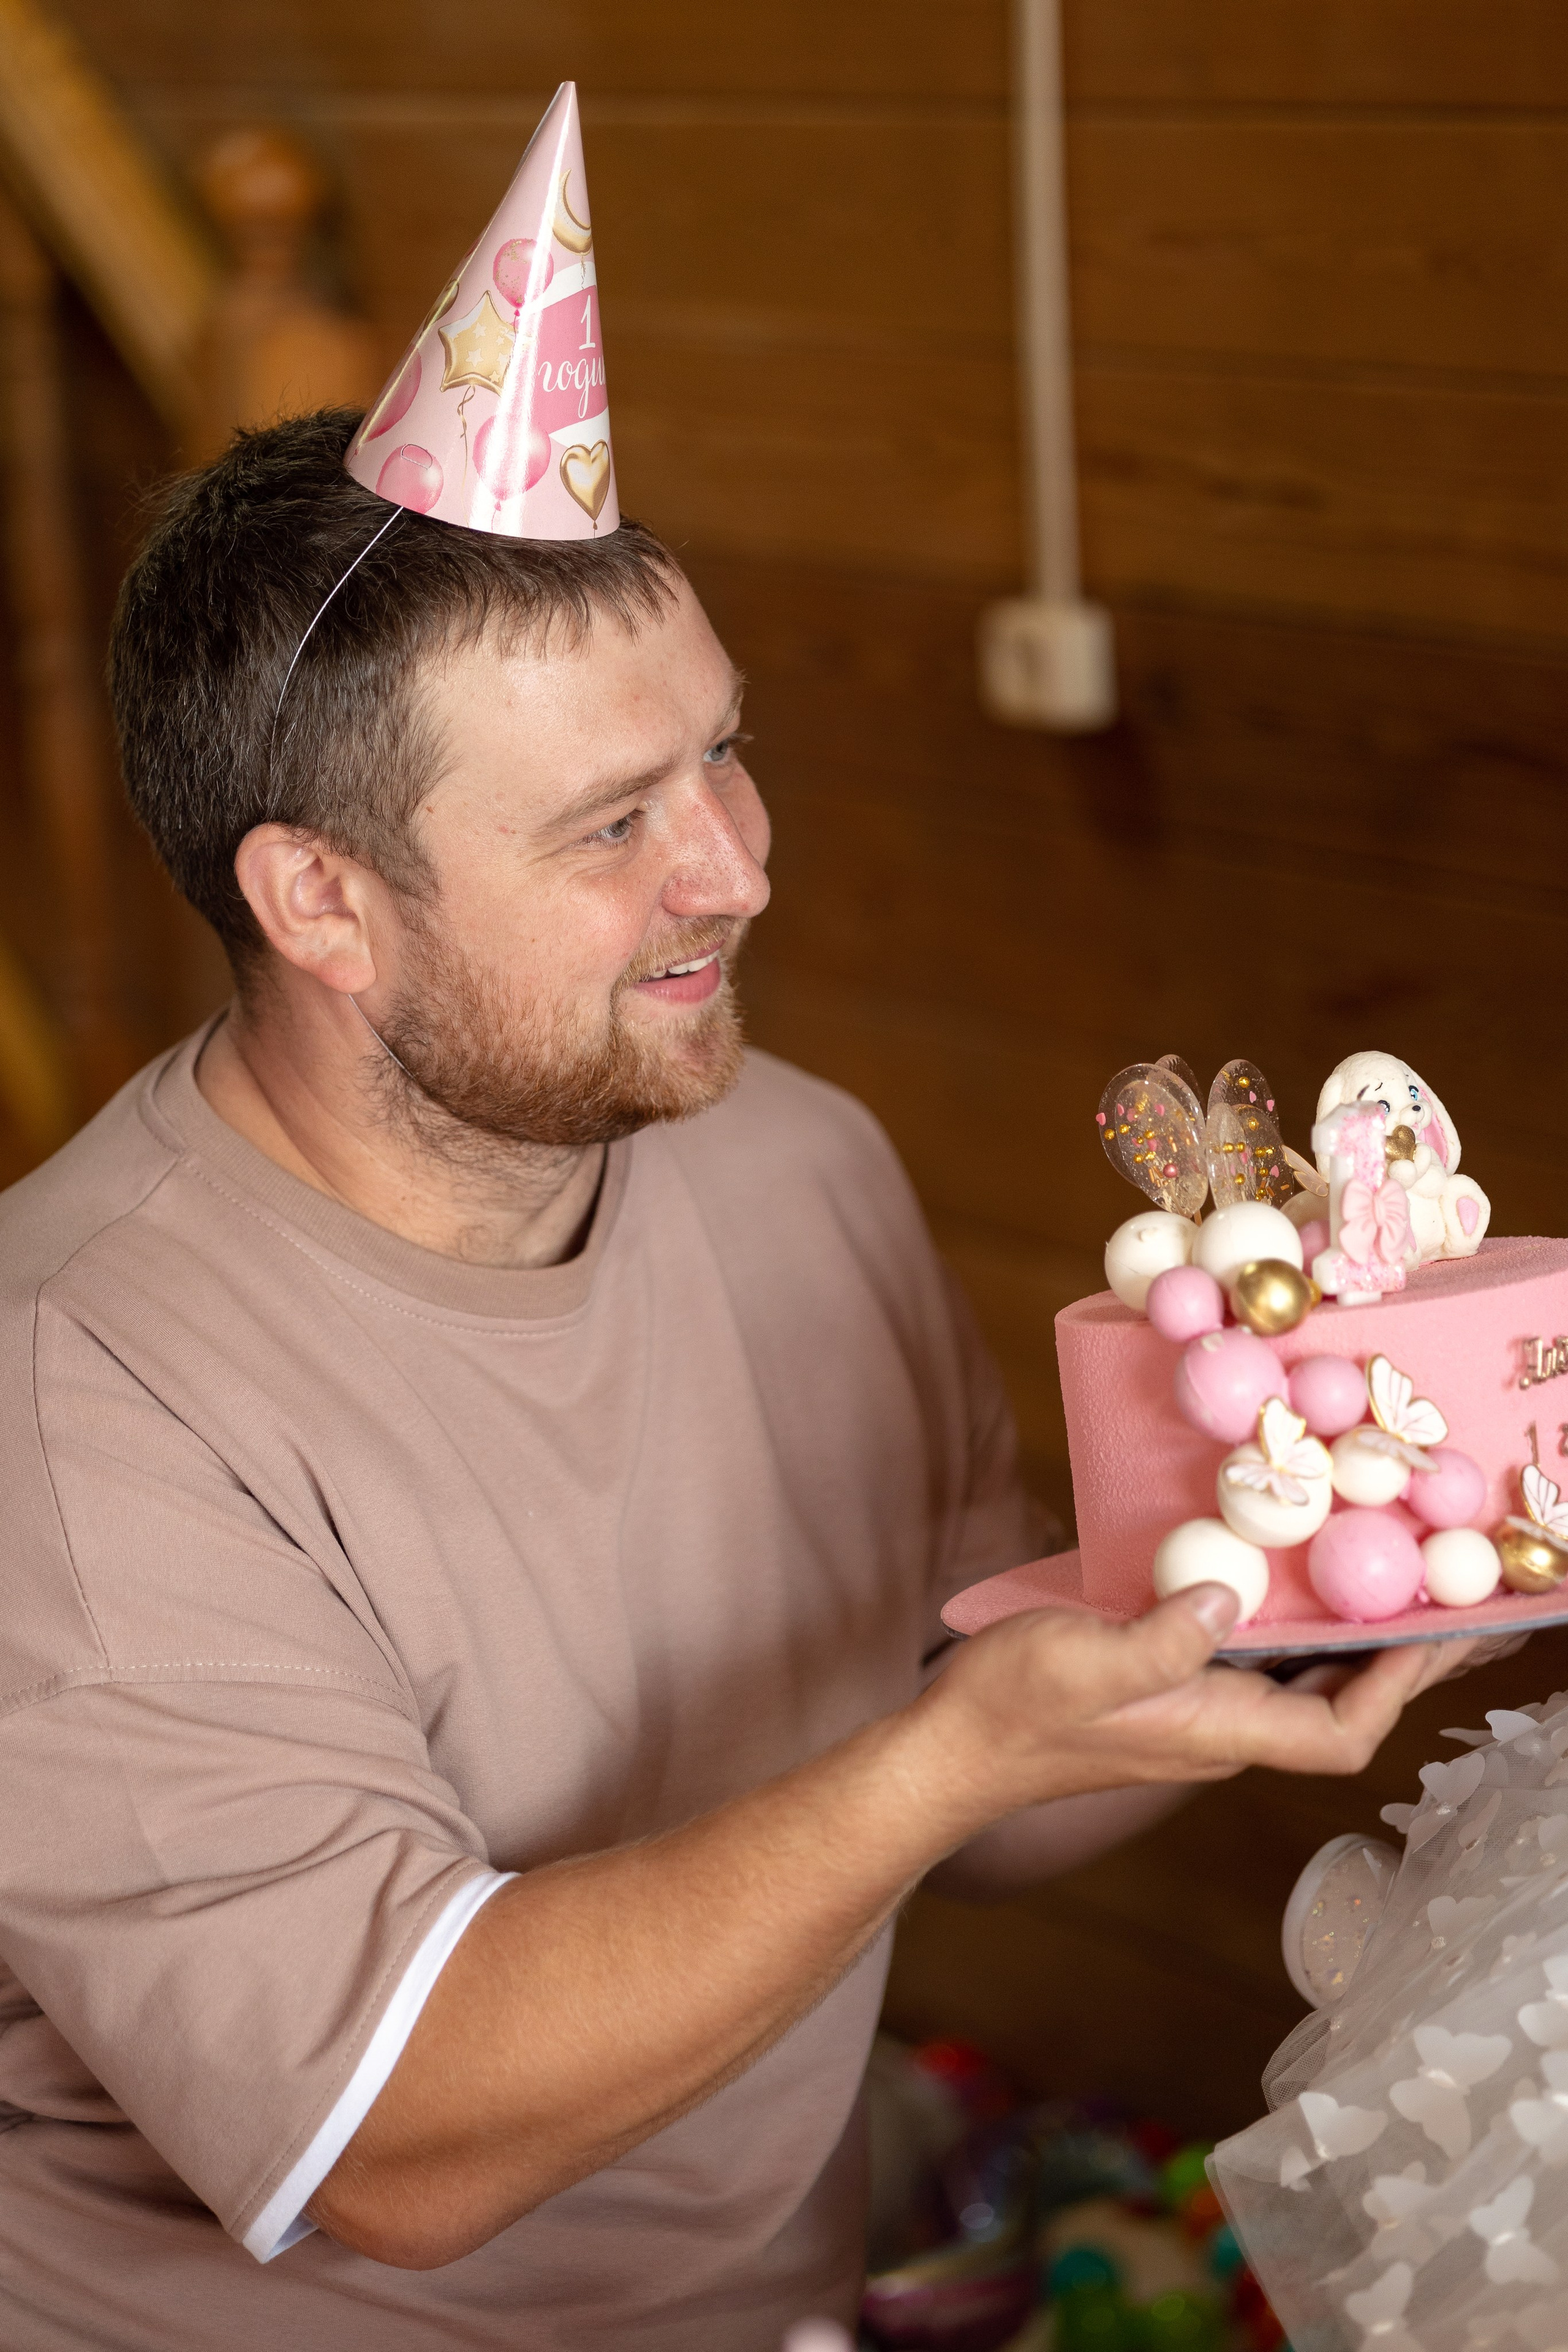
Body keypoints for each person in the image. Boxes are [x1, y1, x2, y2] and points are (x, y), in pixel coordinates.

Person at [0, 404, 1470, 2352]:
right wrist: (955, 1756)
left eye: (724, 755)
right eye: (614, 824)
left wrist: (1323, 1564)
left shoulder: (800, 1161)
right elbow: (392, 2146)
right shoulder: (74, 1386)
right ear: (320, 903)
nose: (737, 870)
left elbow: (987, 1775)